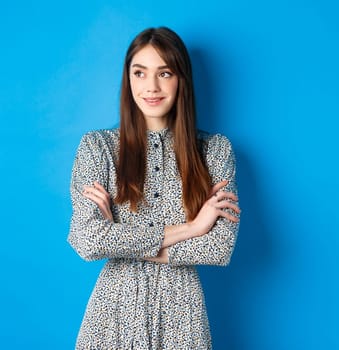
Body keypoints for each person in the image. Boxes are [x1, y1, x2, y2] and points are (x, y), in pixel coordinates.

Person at [68, 27, 241, 349]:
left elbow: (218, 249)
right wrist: (191, 227)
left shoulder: (215, 150)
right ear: (128, 79)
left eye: (164, 73)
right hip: (113, 311)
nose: (151, 87)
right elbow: (87, 240)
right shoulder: (98, 148)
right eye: (140, 73)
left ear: (181, 80)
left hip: (183, 312)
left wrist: (118, 236)